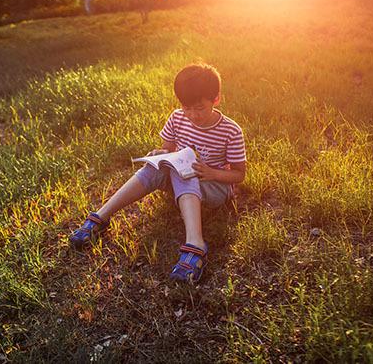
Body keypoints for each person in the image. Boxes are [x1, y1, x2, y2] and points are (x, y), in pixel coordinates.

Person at [70, 63, 247, 283]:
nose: (192, 115)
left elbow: (239, 175)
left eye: (199, 108)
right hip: (181, 180)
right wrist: (160, 153)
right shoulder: (177, 118)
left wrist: (211, 172)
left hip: (214, 187)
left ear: (216, 99)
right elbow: (168, 150)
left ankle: (195, 243)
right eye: (186, 107)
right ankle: (100, 217)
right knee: (157, 166)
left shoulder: (230, 130)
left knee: (186, 173)